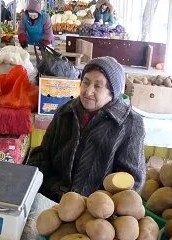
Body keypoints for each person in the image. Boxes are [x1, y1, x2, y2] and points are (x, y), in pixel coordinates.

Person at [27, 57, 145, 202]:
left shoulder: (130, 123)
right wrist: (53, 188)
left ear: (112, 92)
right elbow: (43, 155)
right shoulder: (66, 112)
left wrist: (100, 205)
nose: (88, 91)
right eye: (86, 82)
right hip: (54, 200)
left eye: (98, 86)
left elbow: (132, 180)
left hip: (97, 210)